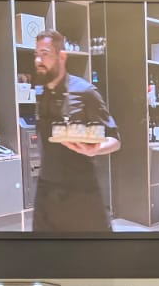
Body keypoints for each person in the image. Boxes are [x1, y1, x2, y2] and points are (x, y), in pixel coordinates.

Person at [30, 28, 120, 234]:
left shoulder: (85, 92)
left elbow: (114, 139)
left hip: (81, 193)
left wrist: (94, 150)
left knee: (90, 259)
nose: (38, 61)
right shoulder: (43, 94)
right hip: (47, 192)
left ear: (62, 56)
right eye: (36, 55)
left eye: (44, 54)